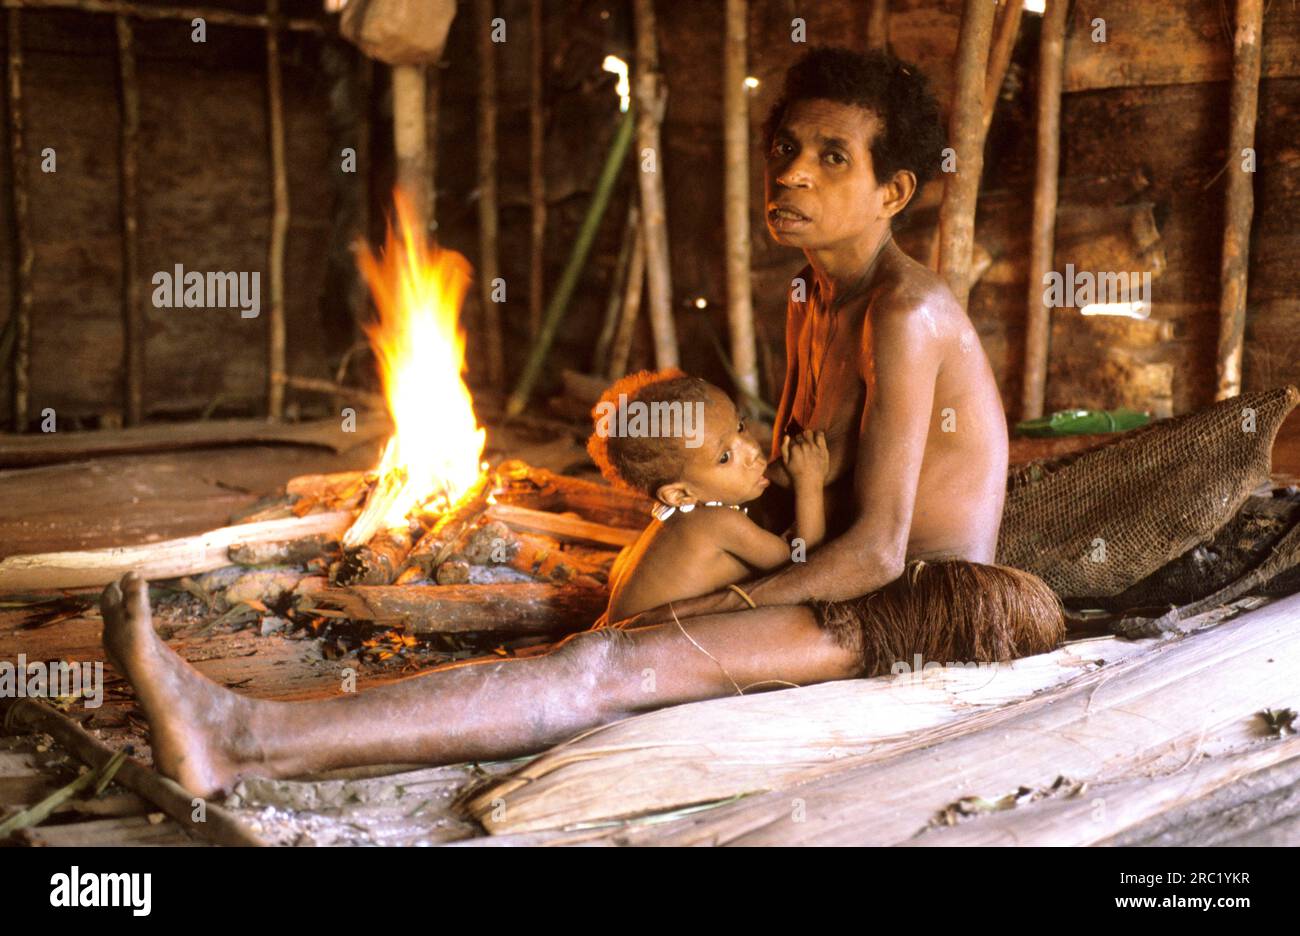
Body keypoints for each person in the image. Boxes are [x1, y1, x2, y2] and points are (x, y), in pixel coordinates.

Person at [99, 47, 1064, 798]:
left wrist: (694, 615)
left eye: (831, 159)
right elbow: (793, 480)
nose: (793, 176)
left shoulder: (907, 312)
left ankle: (237, 740)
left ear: (892, 192)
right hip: (846, 568)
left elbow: (882, 555)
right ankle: (247, 731)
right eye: (786, 149)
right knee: (614, 607)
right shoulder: (813, 296)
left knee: (608, 660)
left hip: (927, 609)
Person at [586, 368, 829, 624]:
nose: (753, 451)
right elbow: (804, 565)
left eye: (741, 426)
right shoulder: (718, 523)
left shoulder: (686, 517)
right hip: (646, 655)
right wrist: (810, 482)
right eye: (725, 457)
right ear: (679, 494)